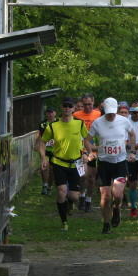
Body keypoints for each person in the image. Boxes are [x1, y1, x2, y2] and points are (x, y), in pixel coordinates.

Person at [85, 98, 136, 234]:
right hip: (104, 163)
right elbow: (87, 140)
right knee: (105, 196)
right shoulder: (97, 123)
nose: (111, 115)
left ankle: (116, 209)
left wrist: (132, 152)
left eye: (113, 113)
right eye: (108, 113)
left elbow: (132, 134)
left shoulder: (124, 121)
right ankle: (106, 223)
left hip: (120, 162)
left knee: (117, 194)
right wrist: (90, 152)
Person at [38, 97, 89, 231]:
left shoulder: (80, 124)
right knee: (61, 191)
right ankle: (64, 222)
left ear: (73, 109)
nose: (67, 108)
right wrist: (43, 158)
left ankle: (70, 203)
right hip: (59, 162)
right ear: (61, 108)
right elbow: (42, 142)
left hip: (76, 163)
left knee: (74, 196)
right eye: (65, 106)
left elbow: (87, 139)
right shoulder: (53, 126)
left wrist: (86, 153)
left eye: (69, 106)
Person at [73, 93, 102, 212]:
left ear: (93, 102)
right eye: (85, 105)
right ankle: (82, 196)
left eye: (89, 104)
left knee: (91, 178)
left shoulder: (98, 114)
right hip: (81, 149)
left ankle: (89, 200)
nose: (87, 107)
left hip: (94, 149)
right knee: (83, 175)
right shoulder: (76, 115)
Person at [37, 107, 57, 195]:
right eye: (48, 113)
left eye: (51, 112)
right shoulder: (43, 124)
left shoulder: (59, 123)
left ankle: (50, 186)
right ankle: (44, 185)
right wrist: (37, 144)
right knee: (44, 167)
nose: (50, 114)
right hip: (45, 149)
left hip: (56, 151)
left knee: (52, 170)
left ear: (55, 113)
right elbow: (40, 135)